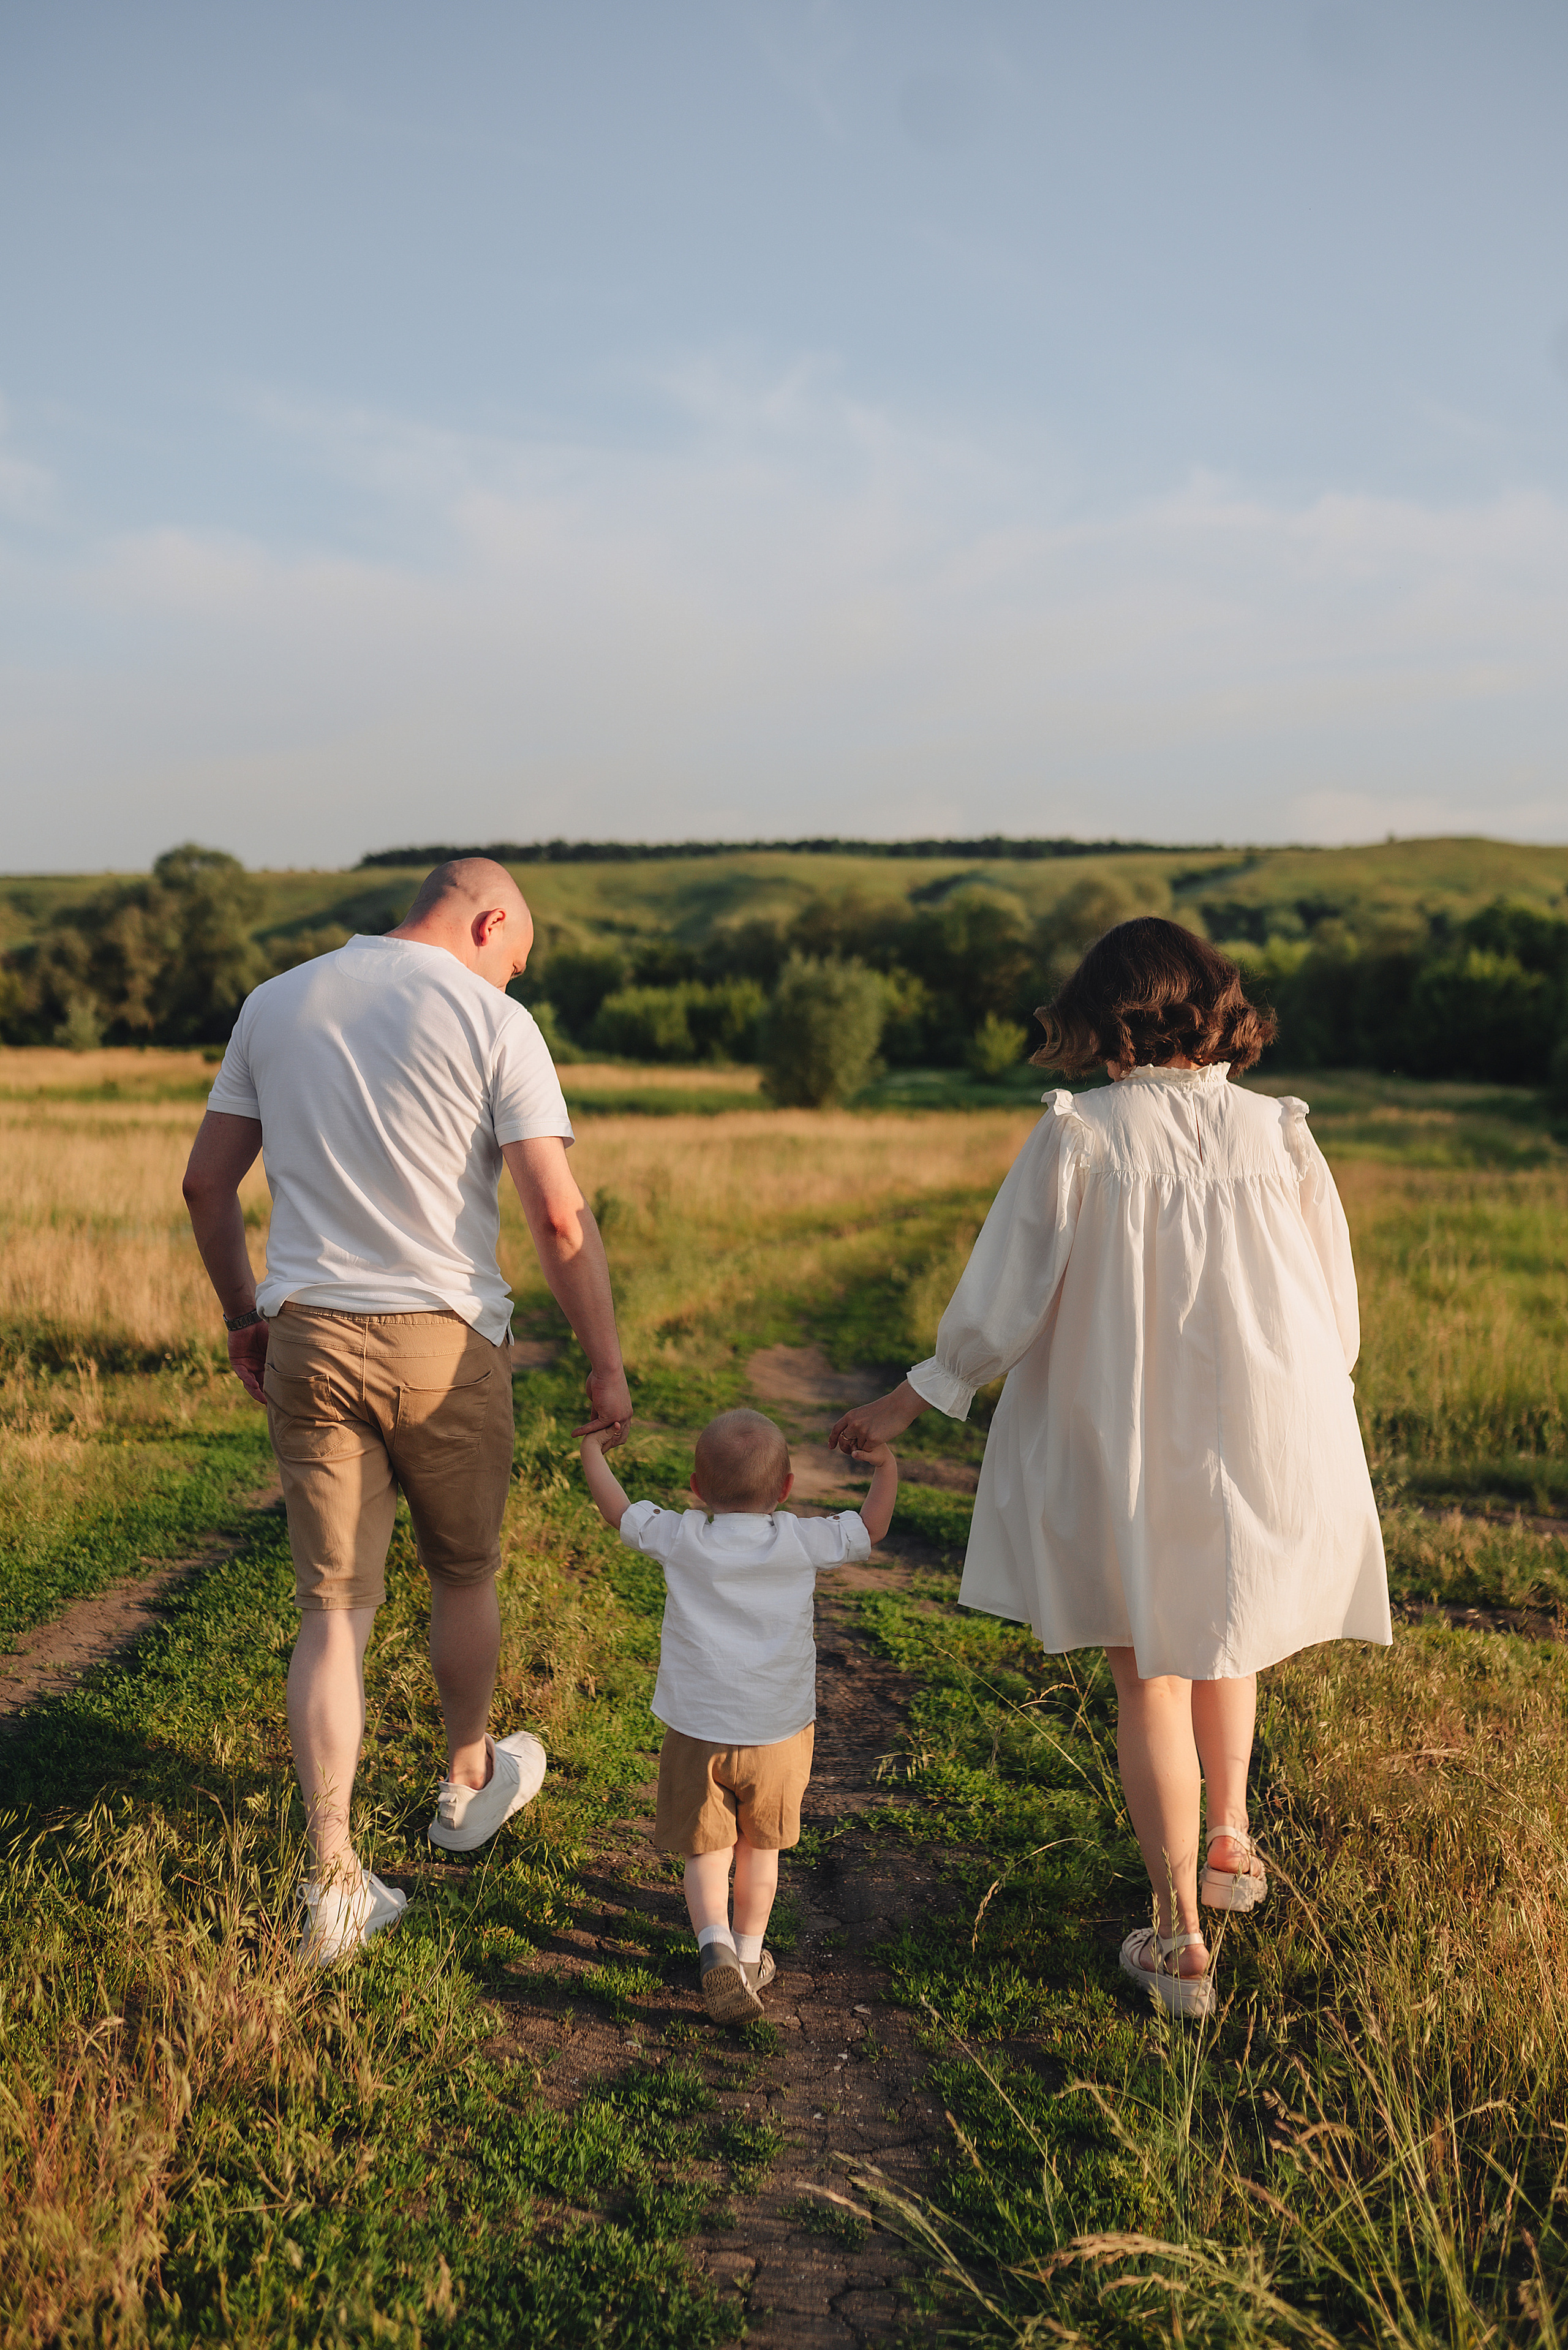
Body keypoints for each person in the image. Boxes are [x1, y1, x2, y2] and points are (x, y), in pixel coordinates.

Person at [830, 917, 1389, 2020]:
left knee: (1152, 1671)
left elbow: (1003, 1300)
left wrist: (918, 1395)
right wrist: (1314, 1404)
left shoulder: (1083, 1136)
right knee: (1230, 1632)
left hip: (1130, 1426)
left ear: (1111, 1017)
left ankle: (1181, 1935)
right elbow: (1336, 1308)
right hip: (1265, 1419)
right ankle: (1228, 1842)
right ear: (1208, 1007)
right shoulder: (1279, 1132)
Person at [182, 857, 631, 1966]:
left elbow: (206, 1183)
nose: (512, 977)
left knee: (332, 1608)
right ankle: (467, 1780)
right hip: (445, 1340)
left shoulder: (276, 1000)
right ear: (488, 921)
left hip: (311, 1333)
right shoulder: (494, 1022)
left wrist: (247, 1314)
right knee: (462, 1573)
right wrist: (606, 1362)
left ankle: (333, 1878)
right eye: (514, 957)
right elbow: (559, 1220)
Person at [579, 1407, 898, 2024]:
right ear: (785, 1490)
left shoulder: (683, 1536)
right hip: (777, 1733)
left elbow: (618, 1511)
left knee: (706, 1850)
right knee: (760, 1849)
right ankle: (750, 1958)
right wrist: (884, 1464)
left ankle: (713, 1945)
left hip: (697, 1728)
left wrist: (594, 1451)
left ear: (695, 1490)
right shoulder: (801, 1538)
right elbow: (873, 1525)